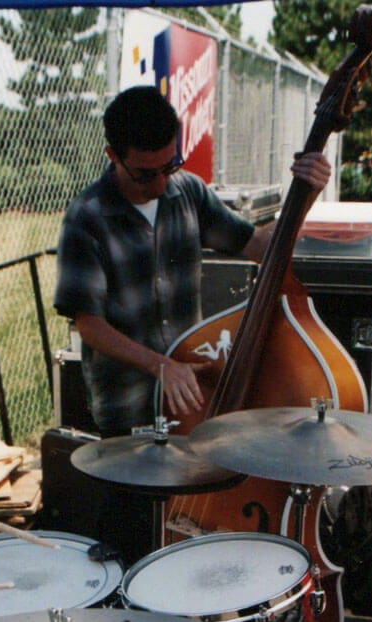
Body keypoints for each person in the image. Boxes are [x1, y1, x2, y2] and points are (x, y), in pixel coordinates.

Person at [53, 86, 332, 561]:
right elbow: (89, 324)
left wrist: (304, 198)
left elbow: (262, 247)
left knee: (193, 540)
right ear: (112, 155)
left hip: (194, 405)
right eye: (145, 174)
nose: (161, 183)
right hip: (129, 412)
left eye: (170, 166)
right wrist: (162, 365)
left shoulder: (188, 193)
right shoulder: (86, 218)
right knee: (132, 541)